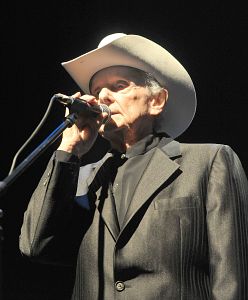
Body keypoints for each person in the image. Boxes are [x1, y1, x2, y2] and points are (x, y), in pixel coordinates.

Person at [19, 33, 248, 300]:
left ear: (157, 101)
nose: (103, 96)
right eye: (96, 92)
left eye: (119, 85)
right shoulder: (83, 179)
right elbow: (36, 245)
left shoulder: (208, 163)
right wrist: (68, 150)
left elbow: (232, 279)